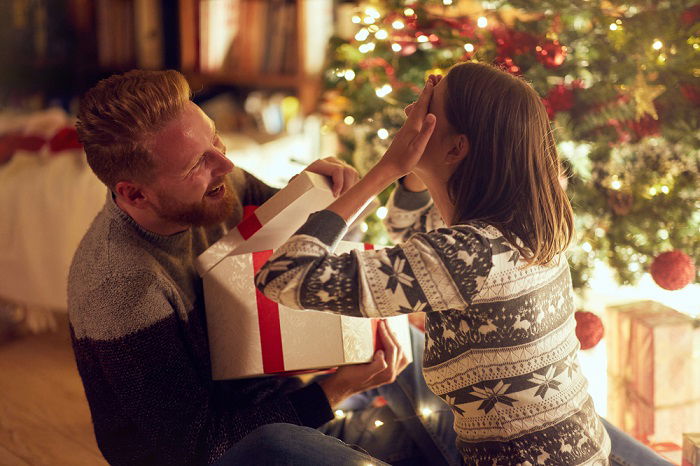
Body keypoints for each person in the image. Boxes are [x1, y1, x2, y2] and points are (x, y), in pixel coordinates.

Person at [255, 63, 674, 465]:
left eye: (426, 110)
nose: (410, 114)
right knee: (402, 342)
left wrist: (385, 170)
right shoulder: (523, 224)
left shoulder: (462, 257)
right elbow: (410, 230)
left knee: (274, 445)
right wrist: (420, 159)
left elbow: (284, 275)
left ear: (457, 147)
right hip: (581, 447)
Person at [68, 69, 459, 465]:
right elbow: (193, 449)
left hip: (287, 411)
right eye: (195, 165)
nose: (225, 163)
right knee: (279, 444)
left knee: (404, 345)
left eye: (216, 139)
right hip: (232, 450)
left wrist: (316, 192)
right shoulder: (120, 286)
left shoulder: (221, 186)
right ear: (135, 194)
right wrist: (335, 390)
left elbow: (307, 242)